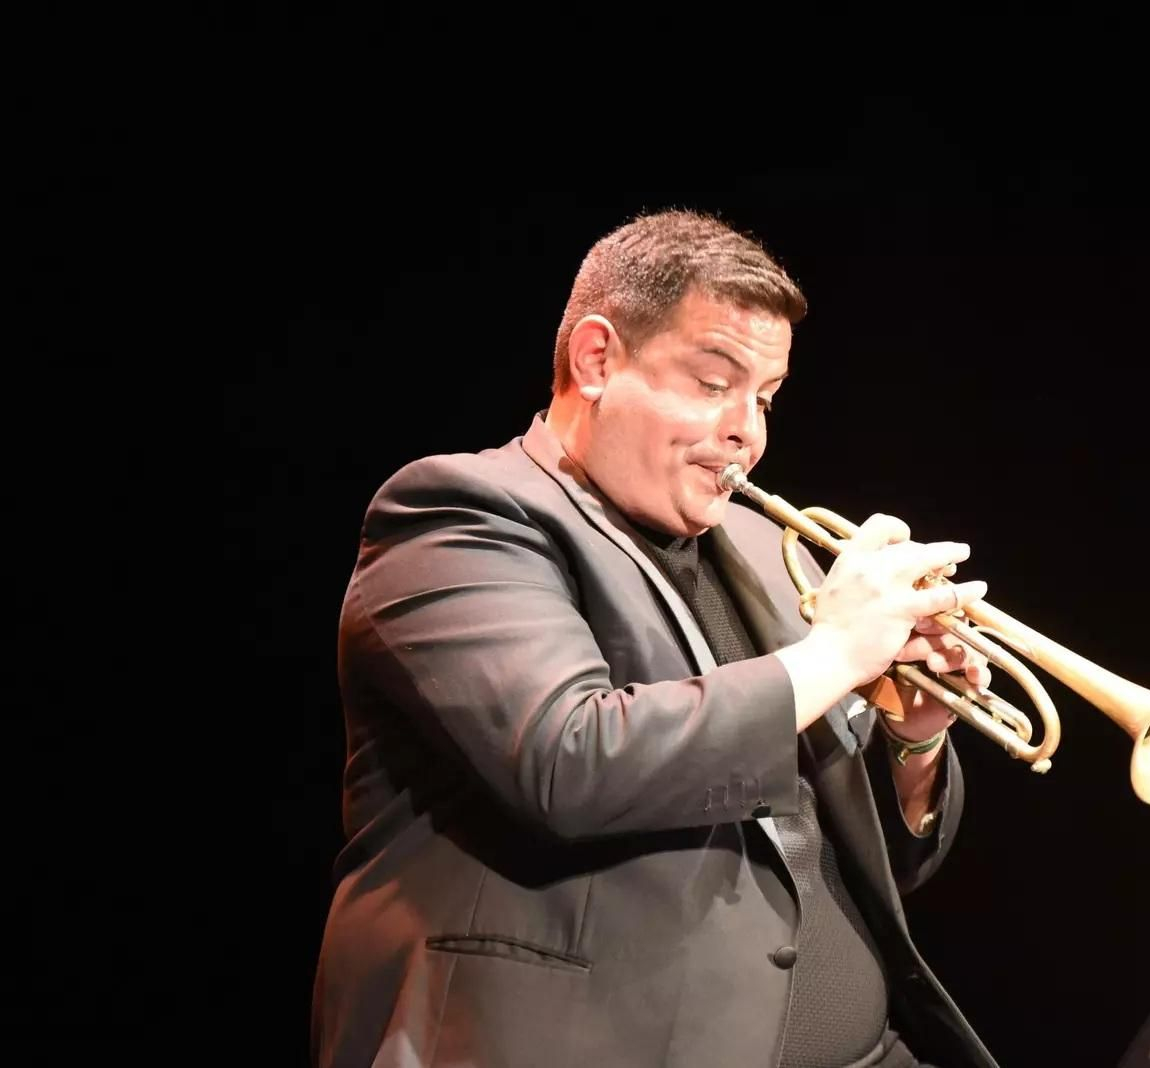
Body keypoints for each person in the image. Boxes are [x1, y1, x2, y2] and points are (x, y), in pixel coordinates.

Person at [310, 209, 1001, 1067]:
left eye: (766, 398)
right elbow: (570, 760)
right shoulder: (459, 516)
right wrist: (834, 655)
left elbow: (873, 864)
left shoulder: (761, 547)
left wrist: (913, 739)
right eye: (713, 384)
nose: (749, 431)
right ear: (597, 360)